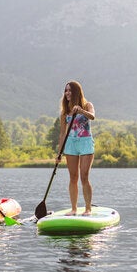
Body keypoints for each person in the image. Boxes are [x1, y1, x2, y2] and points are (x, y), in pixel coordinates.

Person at [58, 80, 95, 215]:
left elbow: (92, 116)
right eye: (66, 90)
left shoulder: (87, 105)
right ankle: (74, 209)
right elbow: (62, 134)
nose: (67, 93)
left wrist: (81, 110)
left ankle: (88, 208)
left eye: (70, 90)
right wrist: (59, 153)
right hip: (71, 144)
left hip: (85, 142)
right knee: (73, 177)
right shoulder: (64, 112)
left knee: (84, 176)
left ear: (76, 92)